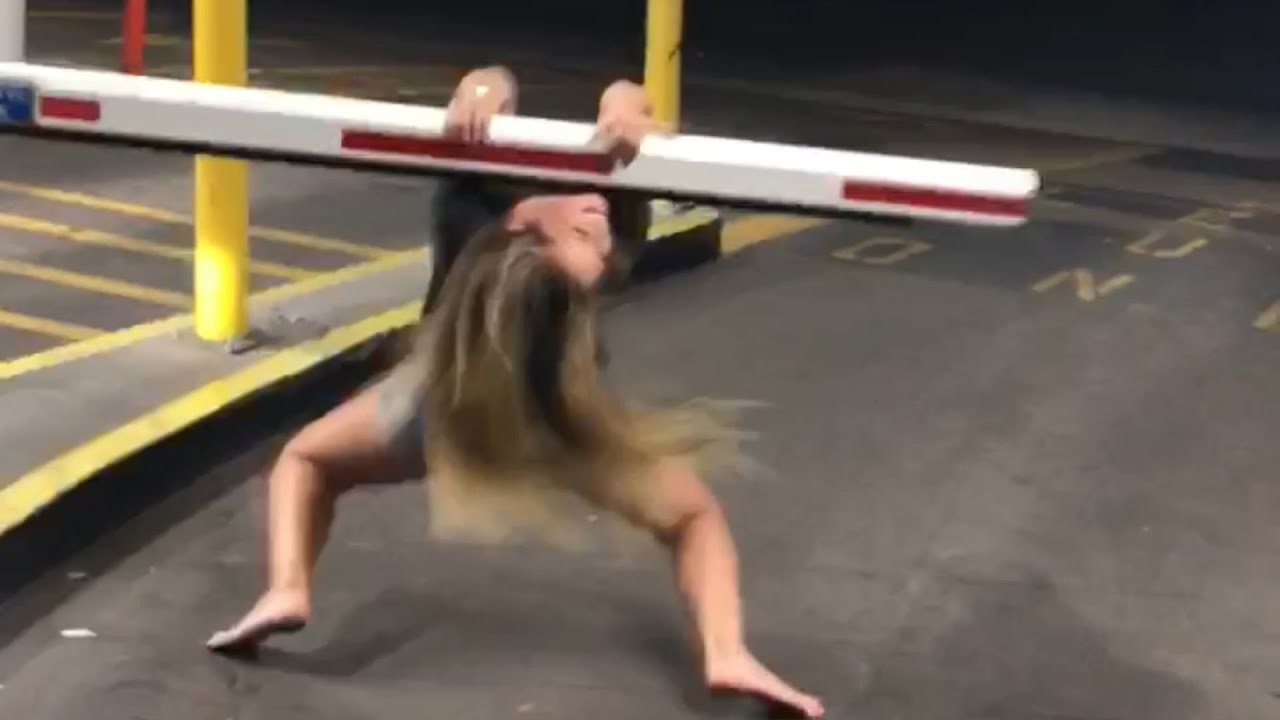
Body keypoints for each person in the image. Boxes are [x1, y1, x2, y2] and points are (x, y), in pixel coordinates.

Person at [206, 66, 824, 719]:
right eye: (592, 241)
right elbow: (614, 135)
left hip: (443, 407)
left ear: (522, 221)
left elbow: (487, 97)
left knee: (304, 460)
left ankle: (287, 587)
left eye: (590, 236)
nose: (599, 220)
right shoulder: (603, 229)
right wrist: (622, 101)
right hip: (551, 425)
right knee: (694, 516)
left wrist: (485, 91)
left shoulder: (472, 222)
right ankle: (726, 651)